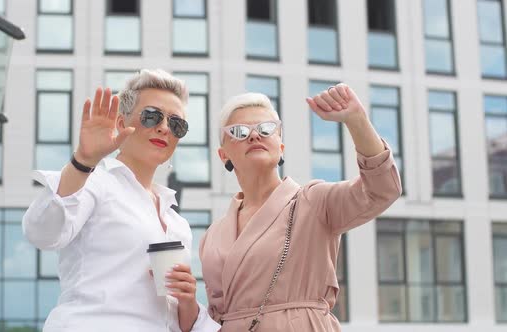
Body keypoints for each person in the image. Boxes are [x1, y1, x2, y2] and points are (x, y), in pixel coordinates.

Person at [22, 69, 220, 332]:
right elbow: (42, 233)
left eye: (176, 124)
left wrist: (187, 301)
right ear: (120, 124)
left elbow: (171, 320)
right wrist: (83, 160)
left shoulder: (176, 222)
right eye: (152, 116)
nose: (164, 128)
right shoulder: (94, 181)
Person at [199, 84, 402, 331]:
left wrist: (356, 119)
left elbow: (381, 189)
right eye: (239, 132)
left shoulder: (313, 202)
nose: (253, 136)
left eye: (265, 129)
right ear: (223, 155)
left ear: (280, 147)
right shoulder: (213, 235)